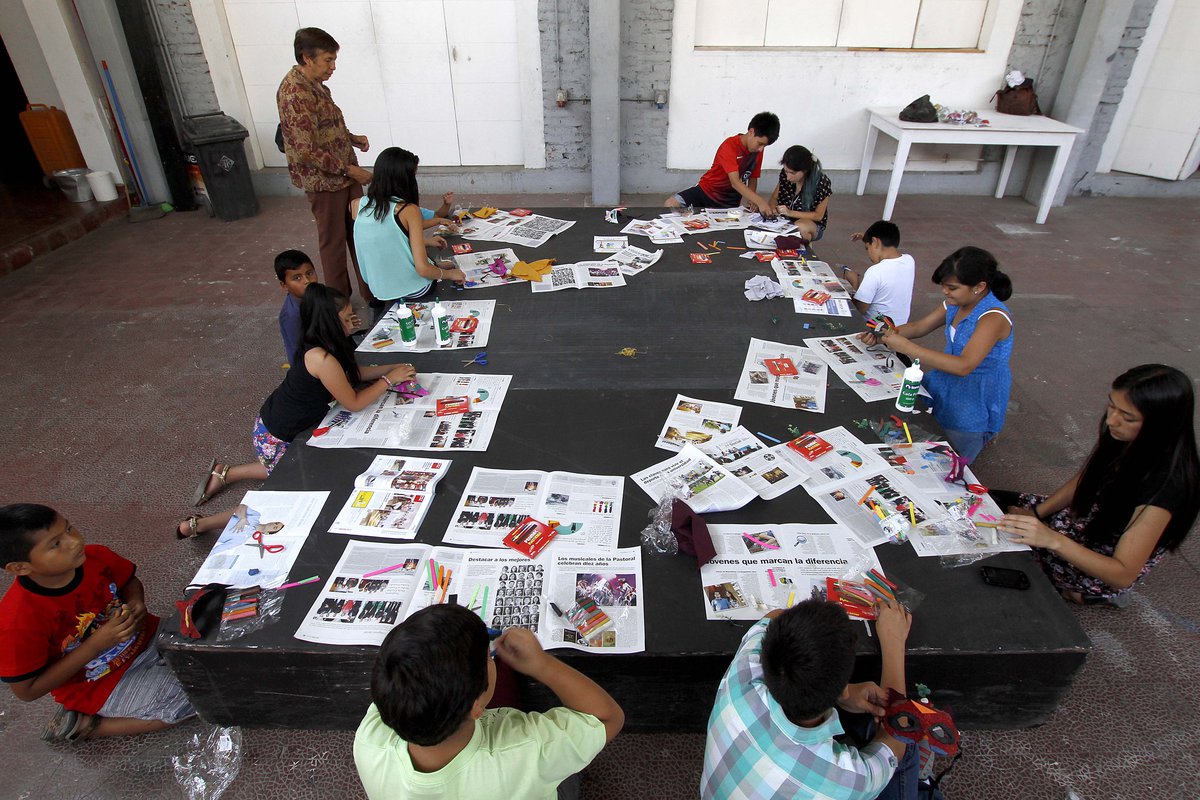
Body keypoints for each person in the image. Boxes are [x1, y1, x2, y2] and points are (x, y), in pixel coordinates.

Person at [179, 284, 415, 538]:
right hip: (277, 435)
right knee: (291, 494)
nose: (353, 323)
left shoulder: (325, 342)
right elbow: (354, 402)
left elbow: (351, 374)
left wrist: (391, 368)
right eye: (347, 319)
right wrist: (388, 380)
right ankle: (202, 524)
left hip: (281, 424)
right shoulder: (321, 358)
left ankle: (227, 473)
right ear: (330, 322)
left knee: (285, 468)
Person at [354, 604, 623, 799]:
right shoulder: (530, 750)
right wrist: (542, 665)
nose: (492, 656)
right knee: (568, 772)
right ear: (475, 707)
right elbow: (608, 717)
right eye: (488, 656)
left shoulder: (368, 740)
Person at [997, 364, 1200, 605]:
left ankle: (1087, 593)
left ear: (1161, 425)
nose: (1112, 420)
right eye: (1112, 406)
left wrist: (1051, 539)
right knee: (984, 502)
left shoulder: (1167, 487)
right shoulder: (1125, 436)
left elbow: (1122, 574)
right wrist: (1036, 513)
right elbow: (1087, 478)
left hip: (1096, 559)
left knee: (1000, 563)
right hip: (1079, 521)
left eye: (1127, 417)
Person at [0, 504, 195, 741]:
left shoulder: (95, 557)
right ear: (20, 567)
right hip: (100, 684)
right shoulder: (17, 621)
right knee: (197, 696)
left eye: (69, 529)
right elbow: (27, 690)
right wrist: (95, 645)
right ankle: (89, 726)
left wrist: (136, 603)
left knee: (216, 650)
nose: (74, 542)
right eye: (55, 544)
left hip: (148, 636)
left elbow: (129, 582)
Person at [701, 598, 927, 800]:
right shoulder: (849, 778)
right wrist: (893, 642)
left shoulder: (742, 675)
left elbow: (774, 616)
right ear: (842, 691)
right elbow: (898, 734)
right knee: (908, 751)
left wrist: (841, 692)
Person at [863, 246, 1013, 463]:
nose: (945, 292)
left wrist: (905, 346)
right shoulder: (956, 302)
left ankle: (980, 440)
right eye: (943, 286)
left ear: (979, 287)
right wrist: (885, 335)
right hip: (946, 383)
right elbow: (919, 326)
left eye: (952, 287)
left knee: (950, 459)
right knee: (924, 434)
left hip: (972, 400)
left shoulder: (993, 317)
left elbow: (964, 365)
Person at [277, 27, 374, 302]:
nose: (333, 67)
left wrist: (351, 138)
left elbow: (324, 127)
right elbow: (306, 150)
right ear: (307, 58)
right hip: (325, 182)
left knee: (361, 234)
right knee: (334, 244)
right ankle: (340, 304)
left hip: (344, 175)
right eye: (328, 60)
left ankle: (373, 292)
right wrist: (350, 170)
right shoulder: (295, 93)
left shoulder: (317, 85)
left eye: (334, 60)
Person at [349, 147, 467, 321]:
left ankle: (438, 266)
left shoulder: (356, 205)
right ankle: (440, 268)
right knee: (432, 264)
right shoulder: (407, 210)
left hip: (378, 288)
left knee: (427, 258)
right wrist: (450, 275)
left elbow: (386, 240)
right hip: (414, 290)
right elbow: (422, 269)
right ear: (405, 179)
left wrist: (425, 241)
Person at [664, 112, 780, 215]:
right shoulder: (730, 145)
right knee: (671, 204)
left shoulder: (758, 151)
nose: (761, 149)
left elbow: (753, 177)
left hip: (729, 202)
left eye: (765, 146)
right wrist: (760, 201)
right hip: (706, 192)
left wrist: (753, 200)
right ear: (751, 132)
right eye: (760, 143)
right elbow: (735, 182)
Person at [842, 221, 916, 325]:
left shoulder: (875, 271)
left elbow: (859, 309)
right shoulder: (909, 261)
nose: (868, 254)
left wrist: (854, 283)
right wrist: (867, 238)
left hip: (877, 327)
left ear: (875, 241)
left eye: (867, 248)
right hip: (900, 325)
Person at [768, 145, 833, 241]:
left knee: (799, 229)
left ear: (805, 171)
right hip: (783, 221)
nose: (788, 177)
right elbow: (774, 198)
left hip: (811, 224)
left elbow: (818, 216)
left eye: (792, 173)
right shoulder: (785, 175)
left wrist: (790, 213)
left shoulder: (821, 182)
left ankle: (802, 247)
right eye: (786, 171)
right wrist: (772, 208)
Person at [274, 249, 318, 366]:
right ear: (284, 285)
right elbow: (300, 353)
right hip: (309, 366)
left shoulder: (317, 295)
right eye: (297, 278)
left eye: (310, 273)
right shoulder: (292, 316)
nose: (307, 281)